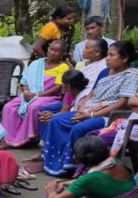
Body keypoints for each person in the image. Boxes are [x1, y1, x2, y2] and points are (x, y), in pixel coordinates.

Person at [42, 42, 138, 176]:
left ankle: (72, 167)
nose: (107, 58)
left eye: (111, 55)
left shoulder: (132, 75)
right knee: (56, 120)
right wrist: (80, 110)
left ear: (125, 58)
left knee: (79, 128)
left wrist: (91, 115)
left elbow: (122, 103)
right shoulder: (105, 71)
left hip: (106, 116)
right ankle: (55, 163)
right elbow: (91, 94)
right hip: (89, 110)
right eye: (107, 55)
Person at [2, 39, 71, 147]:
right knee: (8, 107)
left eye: (57, 51)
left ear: (62, 54)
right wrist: (26, 92)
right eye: (51, 49)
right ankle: (9, 138)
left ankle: (27, 138)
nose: (53, 52)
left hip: (49, 96)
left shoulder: (64, 67)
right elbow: (25, 81)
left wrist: (37, 95)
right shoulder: (36, 63)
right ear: (47, 49)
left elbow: (58, 87)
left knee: (34, 107)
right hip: (29, 94)